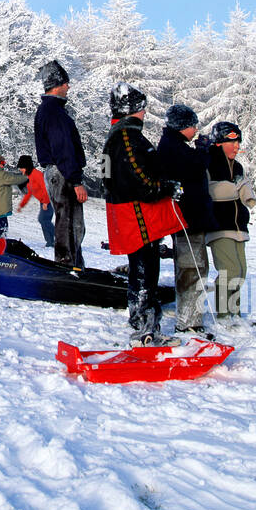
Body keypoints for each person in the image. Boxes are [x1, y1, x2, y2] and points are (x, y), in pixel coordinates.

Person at [102, 84, 185, 346]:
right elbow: (140, 180)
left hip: (126, 212)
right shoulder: (127, 137)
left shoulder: (115, 136)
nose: (145, 113)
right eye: (142, 108)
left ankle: (142, 321)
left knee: (142, 268)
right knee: (145, 269)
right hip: (137, 214)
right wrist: (165, 187)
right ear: (134, 110)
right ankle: (145, 327)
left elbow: (111, 178)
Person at [156, 104, 215, 334]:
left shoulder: (175, 145)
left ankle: (191, 318)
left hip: (189, 219)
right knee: (192, 269)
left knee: (194, 268)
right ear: (182, 126)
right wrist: (202, 149)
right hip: (188, 219)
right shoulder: (174, 148)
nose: (195, 129)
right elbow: (195, 167)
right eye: (192, 125)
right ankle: (189, 322)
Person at [33, 60, 87, 270]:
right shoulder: (54, 111)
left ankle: (74, 265)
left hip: (57, 171)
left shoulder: (48, 110)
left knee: (69, 220)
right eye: (66, 83)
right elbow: (62, 146)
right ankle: (67, 265)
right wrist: (75, 180)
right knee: (69, 221)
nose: (68, 87)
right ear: (58, 84)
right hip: (62, 172)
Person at [203, 121, 256, 323]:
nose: (236, 146)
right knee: (229, 271)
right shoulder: (209, 162)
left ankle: (234, 313)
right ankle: (224, 315)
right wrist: (236, 189)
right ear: (219, 143)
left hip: (238, 227)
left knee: (241, 271)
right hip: (219, 225)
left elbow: (240, 189)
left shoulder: (238, 167)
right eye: (231, 142)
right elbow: (210, 190)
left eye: (238, 142)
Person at [15, 155, 55, 249]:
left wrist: (45, 202)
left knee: (43, 219)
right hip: (43, 201)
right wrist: (21, 205)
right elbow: (28, 193)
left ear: (26, 167)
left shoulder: (37, 174)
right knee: (44, 220)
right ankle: (51, 242)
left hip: (49, 200)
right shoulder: (30, 177)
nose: (20, 170)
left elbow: (46, 188)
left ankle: (56, 239)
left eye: (21, 168)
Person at [0, 153, 29, 239]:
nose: (4, 164)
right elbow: (13, 179)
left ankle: (1, 242)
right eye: (2, 162)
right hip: (0, 203)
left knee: (2, 224)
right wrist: (27, 178)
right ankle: (0, 242)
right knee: (3, 226)